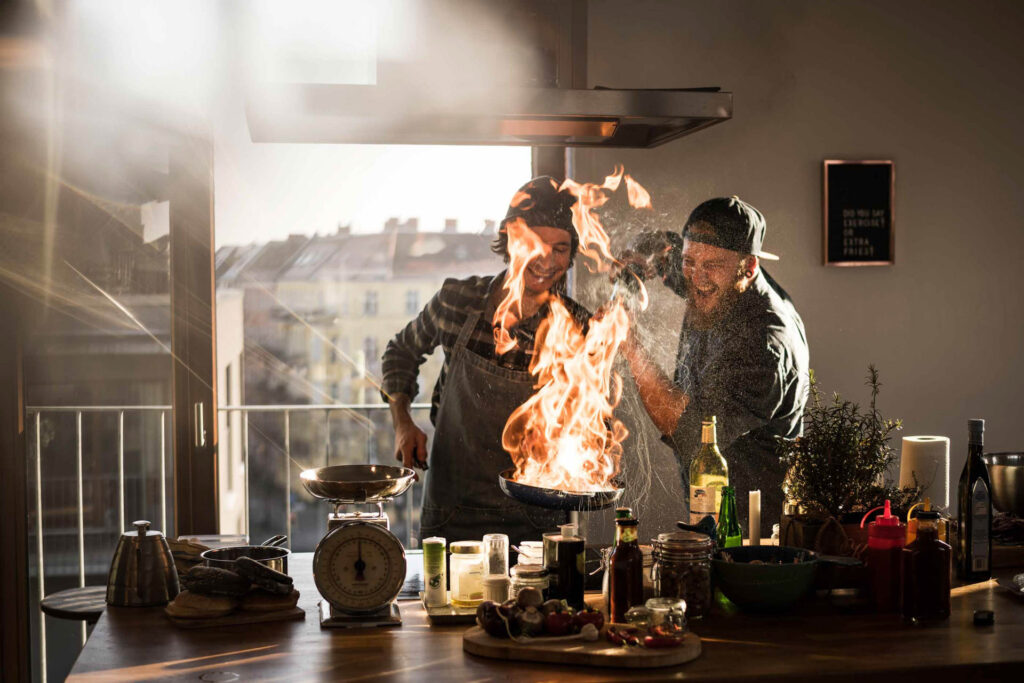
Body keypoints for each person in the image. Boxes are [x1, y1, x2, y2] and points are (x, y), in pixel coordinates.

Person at [381, 177, 589, 546]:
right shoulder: (456, 302)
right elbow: (401, 351)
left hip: (538, 521)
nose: (548, 261)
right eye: (536, 245)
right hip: (452, 514)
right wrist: (402, 422)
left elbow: (589, 417)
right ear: (511, 239)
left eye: (560, 248)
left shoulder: (576, 326)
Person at [619, 196, 809, 534]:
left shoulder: (764, 344)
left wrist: (630, 345)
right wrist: (640, 258)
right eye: (689, 261)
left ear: (748, 267)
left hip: (754, 534)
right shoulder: (716, 282)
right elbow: (665, 251)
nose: (697, 278)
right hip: (710, 509)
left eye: (712, 265)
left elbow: (693, 434)